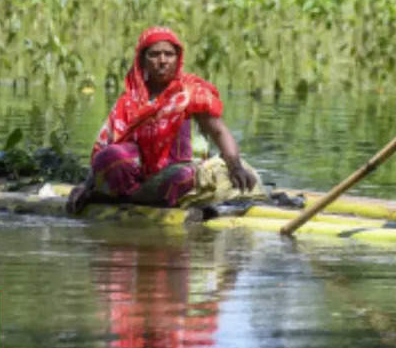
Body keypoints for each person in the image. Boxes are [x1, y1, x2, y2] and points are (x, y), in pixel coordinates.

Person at [67, 26, 259, 213]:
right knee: (111, 156)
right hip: (141, 176)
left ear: (178, 59)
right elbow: (106, 146)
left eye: (169, 54)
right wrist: (87, 185)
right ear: (142, 61)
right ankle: (134, 197)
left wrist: (235, 167)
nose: (162, 61)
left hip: (181, 171)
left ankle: (131, 199)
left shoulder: (190, 93)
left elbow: (219, 131)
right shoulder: (130, 101)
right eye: (154, 54)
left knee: (179, 177)